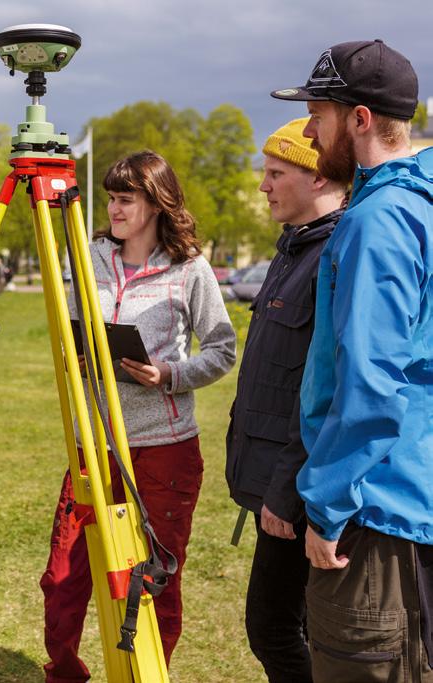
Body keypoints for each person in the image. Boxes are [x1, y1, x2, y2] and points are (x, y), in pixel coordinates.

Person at [41, 150, 236, 681]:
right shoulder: (90, 257)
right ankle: (63, 672)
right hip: (94, 445)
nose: (114, 209)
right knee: (63, 577)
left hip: (164, 448)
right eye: (110, 198)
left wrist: (169, 375)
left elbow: (222, 349)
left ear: (156, 203)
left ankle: (148, 674)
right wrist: (76, 354)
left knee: (152, 582)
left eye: (126, 199)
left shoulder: (190, 269)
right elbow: (71, 329)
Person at [271, 39, 432, 681]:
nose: (310, 131)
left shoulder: (379, 221)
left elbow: (370, 383)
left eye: (319, 114)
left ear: (359, 119)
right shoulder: (414, 205)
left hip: (375, 510)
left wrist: (329, 506)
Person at [225, 118, 347, 683]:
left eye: (276, 173)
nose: (263, 185)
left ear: (319, 176)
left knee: (276, 628)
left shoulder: (333, 258)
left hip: (296, 492)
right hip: (277, 484)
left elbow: (322, 393)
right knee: (284, 627)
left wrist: (285, 493)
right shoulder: (293, 249)